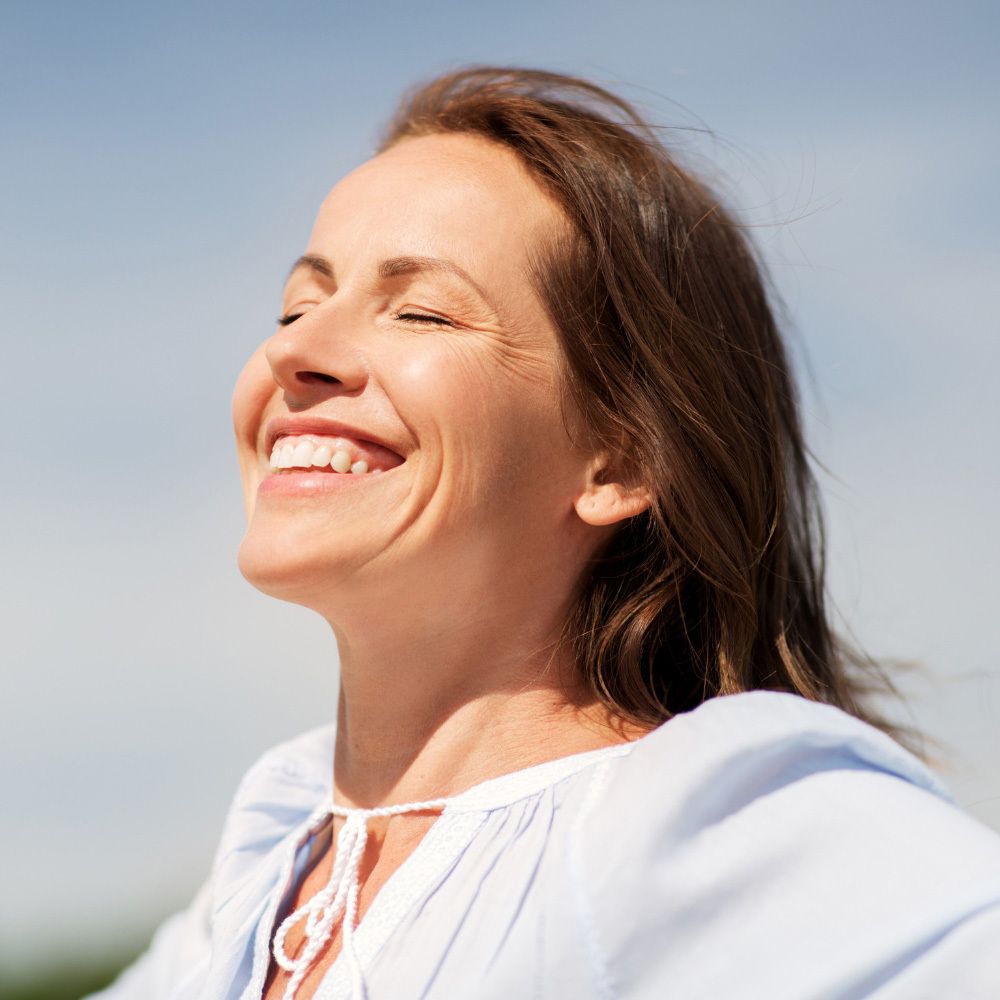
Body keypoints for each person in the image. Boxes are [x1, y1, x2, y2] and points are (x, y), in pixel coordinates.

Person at [89, 66, 1000, 1000]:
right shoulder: (264, 869)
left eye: (423, 312)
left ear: (620, 459)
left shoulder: (684, 821)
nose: (292, 350)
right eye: (297, 305)